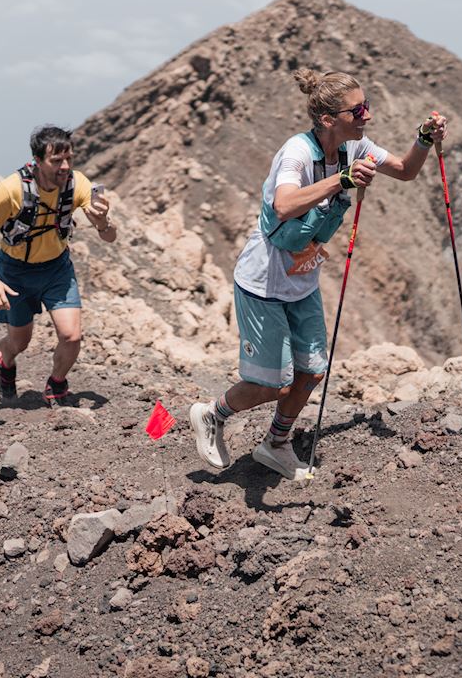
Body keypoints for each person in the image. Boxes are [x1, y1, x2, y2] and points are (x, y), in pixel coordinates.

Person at [190, 69, 447, 480]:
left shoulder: (356, 145)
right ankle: (212, 414)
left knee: (311, 370)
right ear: (329, 119)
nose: (368, 115)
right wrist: (340, 180)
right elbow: (284, 205)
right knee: (270, 384)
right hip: (265, 282)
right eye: (358, 109)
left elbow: (403, 169)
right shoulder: (295, 153)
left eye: (367, 105)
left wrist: (423, 139)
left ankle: (276, 444)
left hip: (302, 279)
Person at [0, 125, 117, 406]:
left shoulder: (77, 184)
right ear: (37, 160)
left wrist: (102, 221)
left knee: (71, 336)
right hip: (15, 272)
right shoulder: (12, 189)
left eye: (69, 159)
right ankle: (5, 361)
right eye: (56, 161)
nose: (65, 166)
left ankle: (57, 382)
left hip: (56, 270)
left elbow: (109, 237)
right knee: (19, 342)